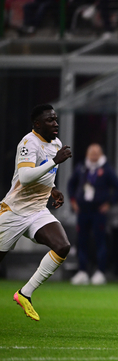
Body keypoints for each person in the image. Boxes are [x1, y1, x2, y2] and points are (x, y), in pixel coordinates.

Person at [0, 104, 72, 321]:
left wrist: (53, 190)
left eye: (56, 119)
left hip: (37, 211)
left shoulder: (55, 144)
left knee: (62, 246)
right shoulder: (28, 142)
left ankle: (25, 293)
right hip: (14, 211)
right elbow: (25, 177)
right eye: (50, 120)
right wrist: (55, 160)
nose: (56, 123)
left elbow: (44, 176)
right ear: (37, 124)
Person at [68, 143, 118, 285]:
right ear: (87, 154)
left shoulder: (106, 170)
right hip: (83, 211)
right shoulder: (81, 168)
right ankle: (82, 271)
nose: (93, 155)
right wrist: (73, 201)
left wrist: (109, 203)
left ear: (101, 154)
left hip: (98, 212)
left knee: (100, 241)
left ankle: (100, 271)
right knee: (81, 241)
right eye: (91, 152)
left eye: (96, 152)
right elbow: (70, 184)